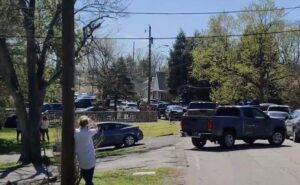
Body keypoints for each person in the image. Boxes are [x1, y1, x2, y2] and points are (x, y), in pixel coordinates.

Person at [74, 115, 98, 185]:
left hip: (81, 160)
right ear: (87, 124)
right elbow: (96, 129)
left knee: (87, 179)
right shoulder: (89, 132)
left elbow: (76, 129)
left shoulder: (75, 132)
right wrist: (93, 123)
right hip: (91, 159)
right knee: (89, 180)